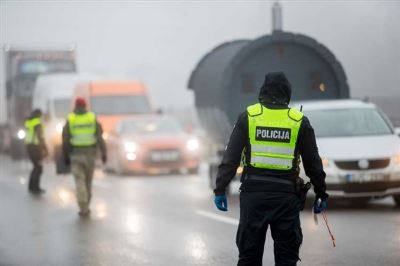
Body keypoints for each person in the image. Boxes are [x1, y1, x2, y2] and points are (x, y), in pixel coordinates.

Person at [213, 72, 329, 266]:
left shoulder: (249, 117)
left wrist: (220, 189)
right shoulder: (298, 121)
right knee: (286, 258)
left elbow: (230, 158)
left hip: (253, 197)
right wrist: (321, 193)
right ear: (287, 93)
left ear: (263, 92)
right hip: (286, 198)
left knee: (249, 257)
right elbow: (313, 163)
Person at [62, 97, 107, 216]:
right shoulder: (91, 118)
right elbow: (99, 137)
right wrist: (104, 153)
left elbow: (65, 139)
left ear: (75, 106)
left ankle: (83, 206)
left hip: (76, 154)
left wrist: (65, 155)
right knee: (88, 181)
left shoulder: (71, 118)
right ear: (85, 106)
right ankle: (86, 204)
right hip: (90, 155)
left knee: (79, 180)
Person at [25, 109, 48, 194]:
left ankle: (31, 186)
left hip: (29, 146)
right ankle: (35, 187)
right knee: (38, 168)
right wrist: (45, 149)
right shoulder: (37, 122)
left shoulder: (29, 121)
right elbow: (40, 137)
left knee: (35, 166)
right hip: (35, 147)